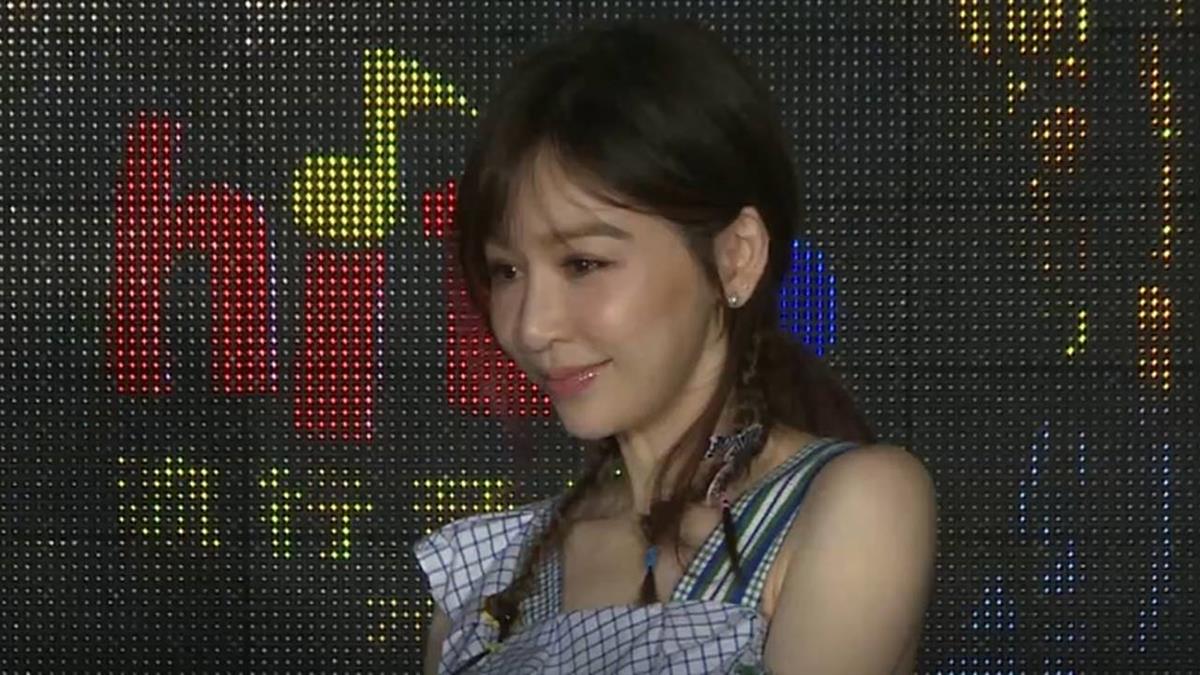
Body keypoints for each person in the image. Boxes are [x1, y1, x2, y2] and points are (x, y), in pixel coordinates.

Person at [413, 18, 937, 674]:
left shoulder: (849, 507)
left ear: (735, 257)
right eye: (506, 271)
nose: (531, 326)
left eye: (583, 264)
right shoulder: (489, 583)